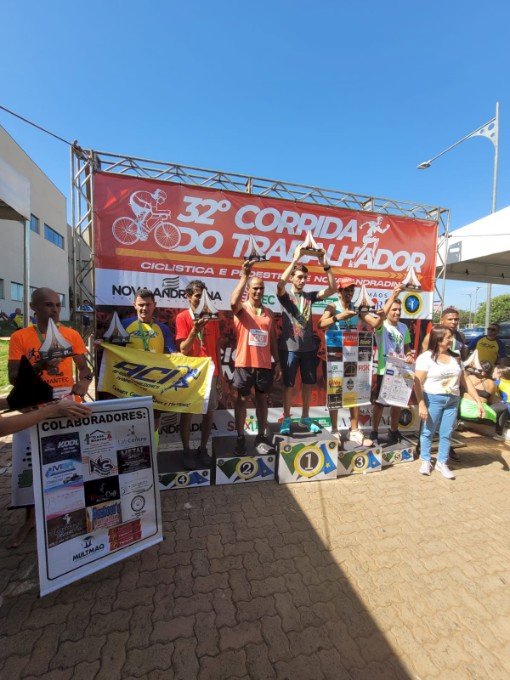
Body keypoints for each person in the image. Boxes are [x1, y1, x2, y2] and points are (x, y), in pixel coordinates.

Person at [7, 287, 91, 547]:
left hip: (67, 408)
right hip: (33, 410)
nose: (54, 309)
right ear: (34, 308)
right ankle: (30, 519)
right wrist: (41, 365)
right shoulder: (20, 337)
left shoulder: (71, 335)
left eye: (57, 305)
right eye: (47, 305)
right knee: (30, 466)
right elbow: (13, 377)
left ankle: (69, 514)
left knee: (69, 463)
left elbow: (85, 369)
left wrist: (84, 383)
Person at [277, 244, 336, 434]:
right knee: (288, 385)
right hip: (289, 348)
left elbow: (332, 289)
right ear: (292, 278)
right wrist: (295, 259)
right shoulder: (286, 296)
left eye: (305, 278)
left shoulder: (309, 296)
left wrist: (325, 265)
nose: (302, 280)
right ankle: (287, 418)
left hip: (308, 348)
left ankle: (305, 418)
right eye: (299, 277)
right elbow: (280, 284)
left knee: (308, 385)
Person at [414, 326, 484, 479]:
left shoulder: (456, 357)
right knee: (428, 431)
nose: (451, 340)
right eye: (448, 337)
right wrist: (421, 404)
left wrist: (478, 401)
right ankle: (425, 460)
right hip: (433, 398)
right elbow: (417, 382)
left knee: (446, 433)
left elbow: (465, 380)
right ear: (438, 339)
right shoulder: (426, 358)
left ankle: (442, 462)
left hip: (452, 400)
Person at [318, 276, 382, 445]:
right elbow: (321, 324)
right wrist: (339, 317)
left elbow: (375, 323)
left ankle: (354, 430)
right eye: (346, 290)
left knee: (354, 391)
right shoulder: (332, 306)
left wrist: (382, 315)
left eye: (352, 290)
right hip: (335, 356)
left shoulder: (357, 308)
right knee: (335, 392)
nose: (349, 293)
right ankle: (335, 430)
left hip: (353, 355)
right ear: (339, 292)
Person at [231, 260, 281, 454]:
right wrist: (244, 276)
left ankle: (261, 436)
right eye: (255, 288)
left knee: (262, 401)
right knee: (242, 400)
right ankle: (240, 437)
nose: (258, 291)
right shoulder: (241, 308)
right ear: (248, 289)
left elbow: (273, 340)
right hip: (244, 363)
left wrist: (277, 362)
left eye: (261, 288)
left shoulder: (269, 313)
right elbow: (232, 302)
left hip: (264, 364)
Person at [175, 280, 221, 469]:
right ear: (188, 296)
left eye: (203, 296)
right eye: (197, 296)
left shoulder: (212, 318)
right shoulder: (182, 317)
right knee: (187, 414)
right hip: (191, 373)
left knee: (209, 414)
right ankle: (186, 451)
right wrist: (195, 330)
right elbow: (183, 349)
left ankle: (202, 448)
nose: (201, 300)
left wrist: (220, 375)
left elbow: (216, 347)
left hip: (211, 372)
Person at [370, 285, 415, 445]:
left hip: (400, 370)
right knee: (380, 404)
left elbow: (407, 347)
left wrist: (409, 355)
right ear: (387, 311)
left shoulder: (404, 327)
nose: (397, 312)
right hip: (385, 370)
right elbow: (378, 321)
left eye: (399, 310)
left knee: (397, 403)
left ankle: (394, 431)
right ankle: (374, 433)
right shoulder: (381, 326)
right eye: (394, 309)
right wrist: (393, 295)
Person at [461, 361, 509, 441]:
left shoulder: (468, 377)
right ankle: (499, 434)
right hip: (479, 414)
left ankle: (458, 422)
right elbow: (491, 401)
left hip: (462, 411)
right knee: (504, 407)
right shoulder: (491, 383)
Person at [121, 287, 175, 353]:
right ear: (135, 305)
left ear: (154, 305)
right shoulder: (125, 325)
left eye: (148, 305)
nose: (144, 308)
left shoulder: (163, 329)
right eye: (141, 305)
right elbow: (115, 349)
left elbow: (172, 353)